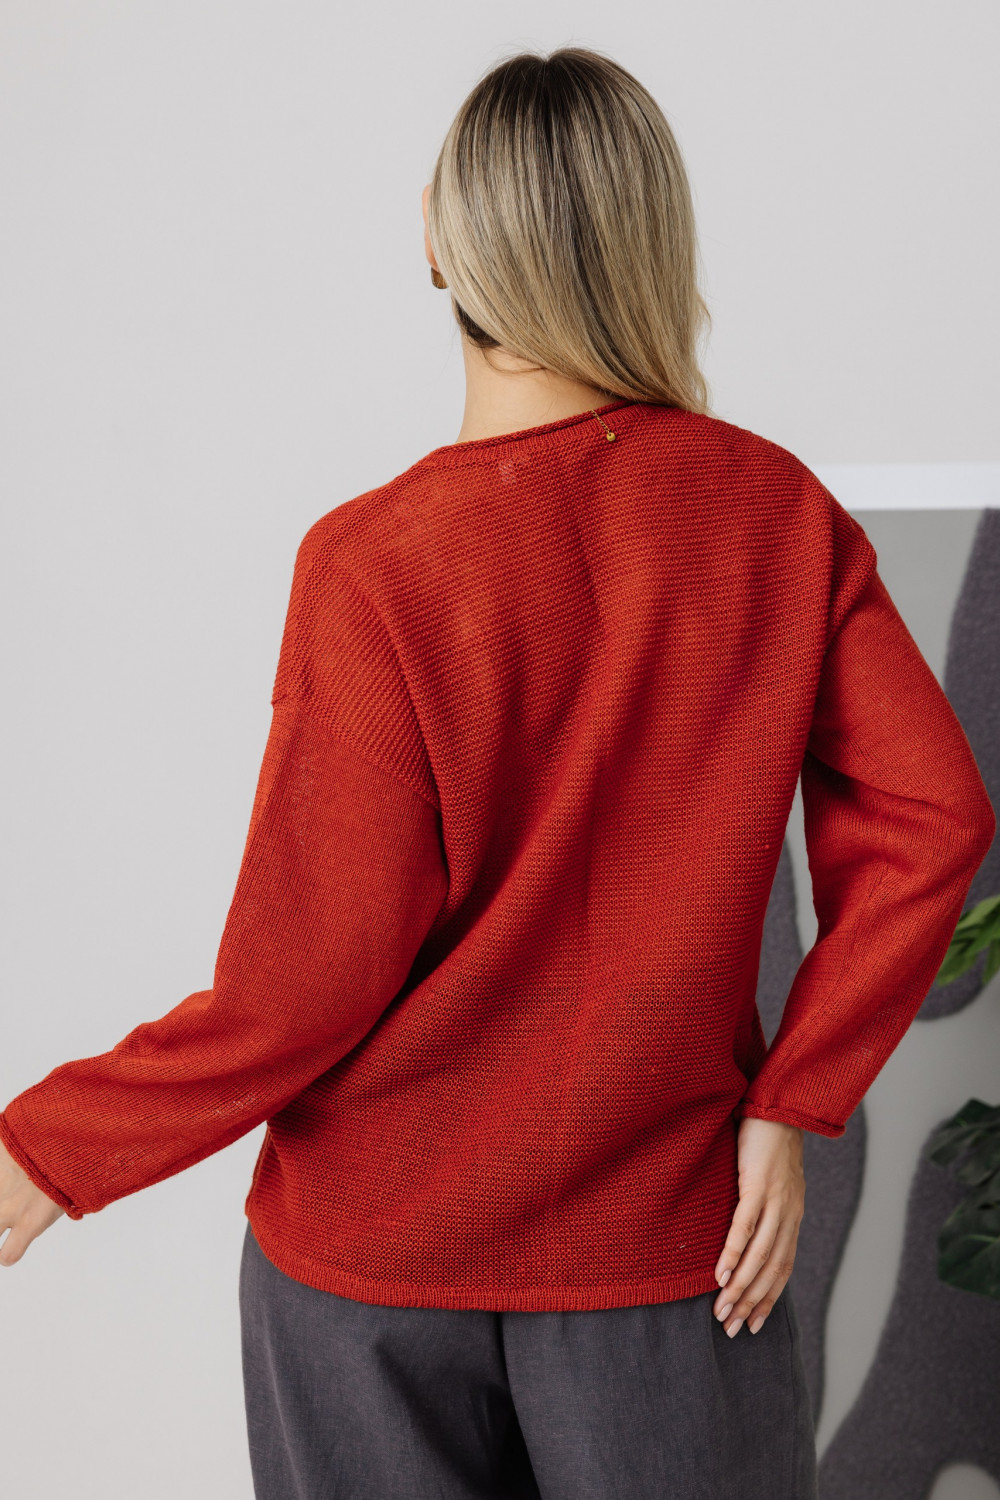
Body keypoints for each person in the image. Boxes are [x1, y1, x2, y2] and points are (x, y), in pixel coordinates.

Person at [0, 44, 994, 1500]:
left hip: (368, 1274)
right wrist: (793, 1100)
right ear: (652, 241)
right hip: (668, 1257)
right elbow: (934, 816)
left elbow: (301, 985)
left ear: (436, 239)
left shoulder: (375, 564)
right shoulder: (775, 517)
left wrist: (52, 1148)